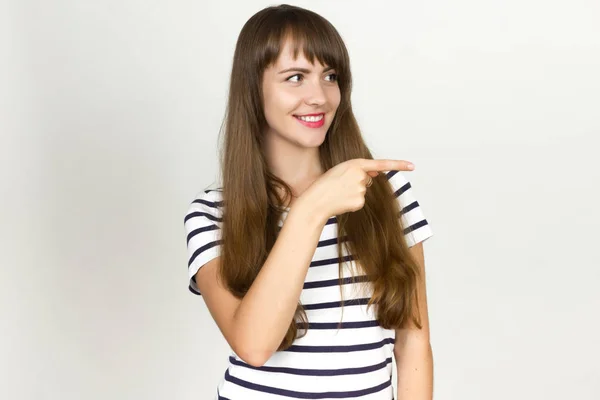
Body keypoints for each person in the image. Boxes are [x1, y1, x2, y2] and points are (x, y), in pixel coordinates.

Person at [184, 4, 434, 399]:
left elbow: (413, 343)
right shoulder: (213, 216)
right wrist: (311, 210)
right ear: (253, 88)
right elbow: (253, 345)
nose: (318, 96)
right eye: (295, 77)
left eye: (330, 76)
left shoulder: (386, 192)